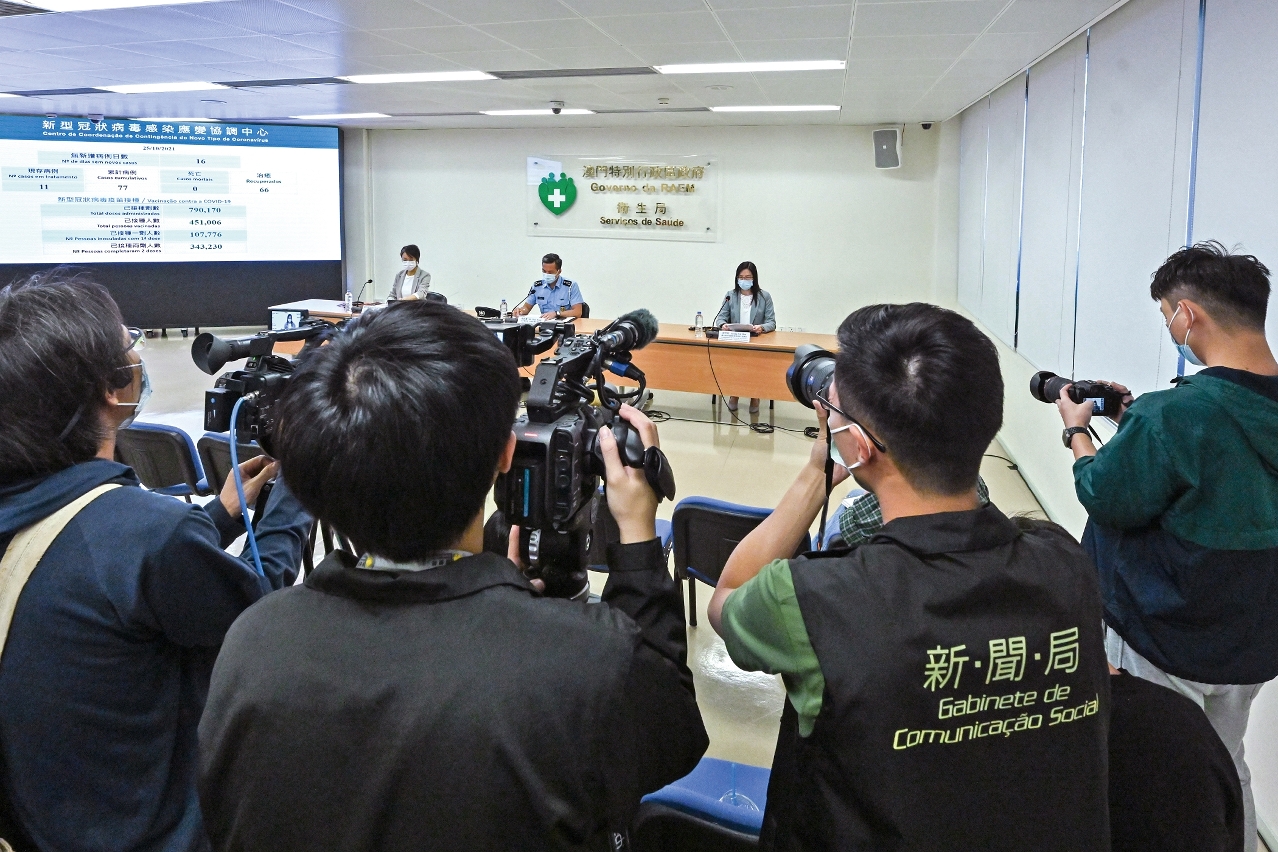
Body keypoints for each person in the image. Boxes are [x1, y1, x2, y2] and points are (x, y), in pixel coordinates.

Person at [198, 300, 707, 850]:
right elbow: (671, 733)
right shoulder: (583, 664)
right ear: (506, 454)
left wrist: (500, 595)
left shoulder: (253, 641)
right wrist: (637, 538)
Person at [708, 302, 1110, 849]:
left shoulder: (814, 599)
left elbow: (727, 597)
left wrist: (814, 478)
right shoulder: (1065, 564)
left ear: (859, 446)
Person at [0, 271, 311, 851]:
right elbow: (260, 619)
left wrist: (220, 517)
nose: (138, 354)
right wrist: (296, 490)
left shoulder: (50, 514)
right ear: (105, 386)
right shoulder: (146, 534)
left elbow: (111, 565)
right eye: (130, 343)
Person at [1056, 241, 1278, 852]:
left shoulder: (1174, 416)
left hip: (1164, 633)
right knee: (1225, 761)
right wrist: (1136, 421)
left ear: (1188, 314)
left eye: (1166, 318)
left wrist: (1078, 432)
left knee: (1149, 768)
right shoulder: (1177, 416)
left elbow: (1105, 495)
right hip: (1253, 636)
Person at [712, 261, 776, 413]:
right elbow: (721, 318)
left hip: (756, 340)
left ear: (754, 278)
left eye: (748, 277)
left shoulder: (764, 296)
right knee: (736, 365)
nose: (744, 280)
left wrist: (762, 327)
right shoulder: (731, 295)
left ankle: (755, 396)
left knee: (754, 366)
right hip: (736, 339)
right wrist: (723, 325)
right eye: (741, 277)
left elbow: (771, 322)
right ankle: (734, 395)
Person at [512, 252, 585, 319]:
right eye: (544, 271)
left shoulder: (571, 286)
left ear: (559, 271)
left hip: (565, 324)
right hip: (544, 324)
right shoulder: (537, 286)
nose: (546, 274)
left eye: (550, 272)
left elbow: (577, 312)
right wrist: (521, 311)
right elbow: (527, 308)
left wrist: (556, 313)